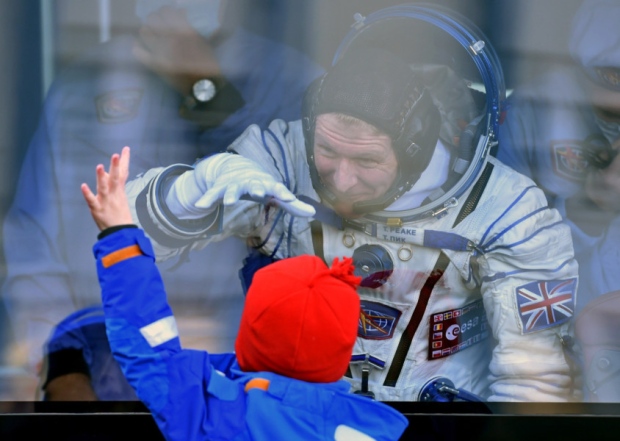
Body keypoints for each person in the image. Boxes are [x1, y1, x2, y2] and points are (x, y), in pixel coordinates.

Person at [122, 5, 580, 402]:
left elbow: (532, 378)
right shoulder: (281, 159)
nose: (341, 179)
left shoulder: (506, 212)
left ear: (415, 150)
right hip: (297, 415)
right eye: (328, 152)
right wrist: (190, 190)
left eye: (366, 160)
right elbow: (127, 233)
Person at [0, 0, 323, 400]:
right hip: (109, 385)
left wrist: (206, 90)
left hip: (239, 388)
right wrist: (62, 366)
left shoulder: (289, 79)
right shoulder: (88, 81)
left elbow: (298, 223)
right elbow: (36, 240)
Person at [80, 147, 408, 441]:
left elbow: (148, 349)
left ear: (250, 330)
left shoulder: (216, 417)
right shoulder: (376, 428)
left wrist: (119, 234)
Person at [495, 0, 620, 400]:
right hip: (561, 335)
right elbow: (501, 247)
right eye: (612, 77)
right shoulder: (535, 110)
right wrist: (591, 207)